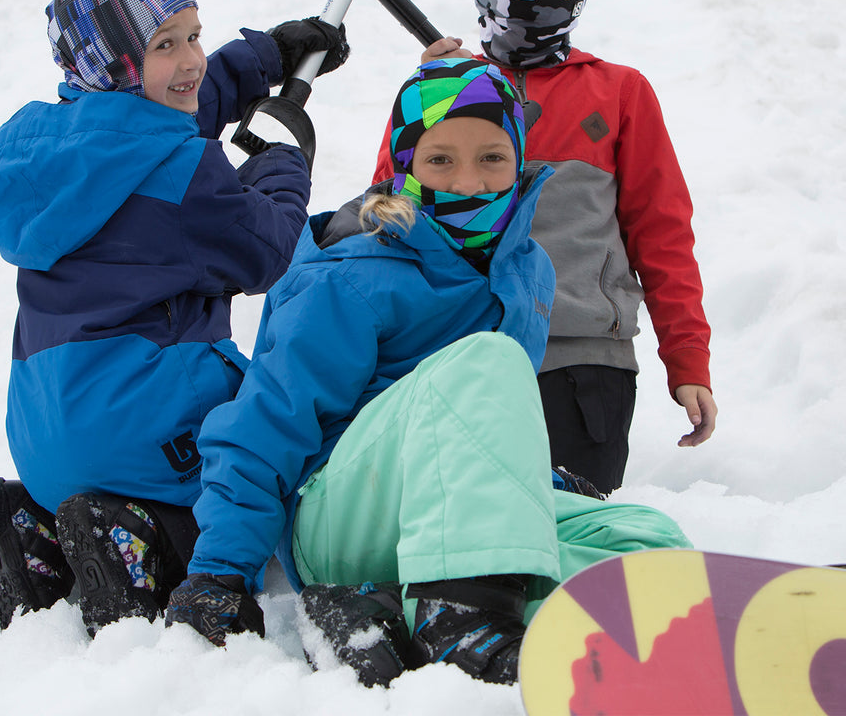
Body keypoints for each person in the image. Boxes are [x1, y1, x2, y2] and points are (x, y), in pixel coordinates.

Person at [162, 58, 691, 687]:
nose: (469, 181)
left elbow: (474, 418)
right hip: (338, 516)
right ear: (405, 165)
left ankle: (397, 609)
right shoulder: (350, 275)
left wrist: (528, 475)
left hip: (441, 515)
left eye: (492, 158)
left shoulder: (529, 270)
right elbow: (266, 424)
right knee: (487, 361)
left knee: (641, 536)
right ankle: (456, 615)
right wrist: (220, 571)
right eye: (441, 160)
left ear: (519, 159)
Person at [0, 0, 349, 635]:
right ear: (115, 66)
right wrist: (285, 162)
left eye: (194, 36)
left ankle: (38, 527)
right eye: (165, 45)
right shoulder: (181, 176)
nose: (192, 59)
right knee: (266, 465)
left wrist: (265, 58)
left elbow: (154, 123)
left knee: (99, 480)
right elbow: (265, 251)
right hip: (148, 437)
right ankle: (144, 541)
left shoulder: (46, 142)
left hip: (47, 432)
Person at [371, 0, 716, 495]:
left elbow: (662, 233)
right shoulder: (442, 87)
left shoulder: (619, 93)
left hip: (582, 361)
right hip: (459, 352)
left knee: (564, 531)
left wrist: (687, 359)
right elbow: (388, 215)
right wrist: (428, 103)